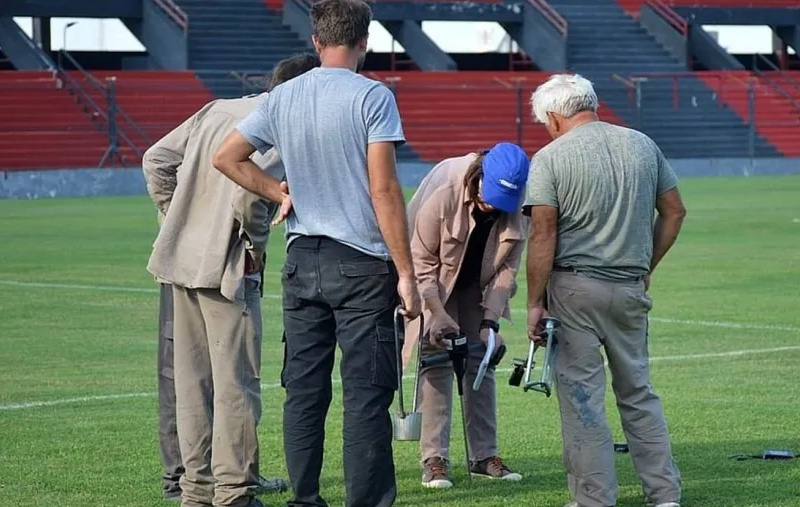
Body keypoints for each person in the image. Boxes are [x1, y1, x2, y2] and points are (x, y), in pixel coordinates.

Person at [211, 0, 421, 505]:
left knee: (304, 394)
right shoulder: (373, 96)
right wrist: (408, 273)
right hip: (362, 261)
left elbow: (226, 156)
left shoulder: (285, 95)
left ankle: (305, 499)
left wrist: (278, 193)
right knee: (367, 395)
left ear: (316, 42)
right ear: (365, 42)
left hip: (303, 259)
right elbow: (385, 190)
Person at [143, 53, 321, 507]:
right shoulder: (280, 126)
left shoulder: (218, 108)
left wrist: (173, 219)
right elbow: (248, 195)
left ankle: (196, 490)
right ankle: (234, 492)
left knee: (191, 384)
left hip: (181, 262)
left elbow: (155, 159)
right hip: (227, 266)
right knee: (236, 384)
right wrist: (255, 246)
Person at [522, 74, 687, 507]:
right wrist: (645, 265)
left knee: (582, 400)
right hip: (630, 288)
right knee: (638, 392)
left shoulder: (550, 158)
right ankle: (664, 494)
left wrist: (534, 303)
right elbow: (674, 212)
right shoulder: (642, 144)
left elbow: (543, 235)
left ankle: (594, 499)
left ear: (555, 117)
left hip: (575, 288)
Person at [403, 142, 529, 489]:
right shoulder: (444, 188)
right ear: (479, 177)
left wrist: (490, 323)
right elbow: (421, 263)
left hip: (478, 283)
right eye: (489, 198)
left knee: (482, 360)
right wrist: (436, 313)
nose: (493, 208)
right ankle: (435, 459)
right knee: (437, 359)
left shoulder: (519, 205)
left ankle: (484, 457)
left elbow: (507, 271)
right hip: (434, 282)